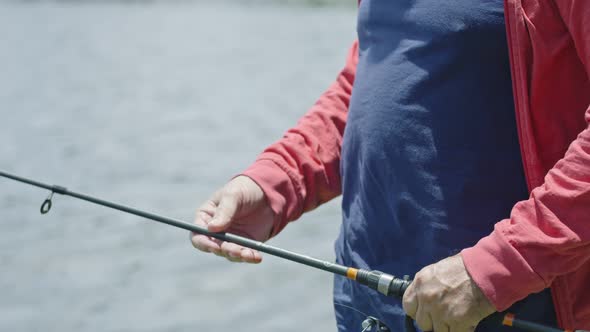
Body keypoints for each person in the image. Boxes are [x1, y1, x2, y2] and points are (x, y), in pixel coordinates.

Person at [191, 0, 590, 331]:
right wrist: (277, 182)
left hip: (501, 309)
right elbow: (371, 80)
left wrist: (491, 272)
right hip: (362, 303)